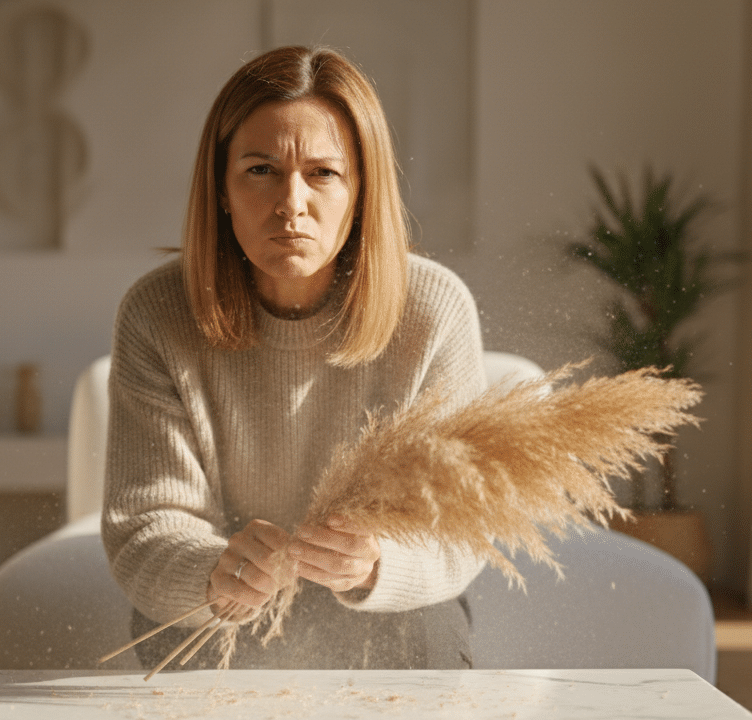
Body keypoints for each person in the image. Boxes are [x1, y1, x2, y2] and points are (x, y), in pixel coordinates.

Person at [102, 45, 487, 670]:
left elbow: (462, 532)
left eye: (324, 173)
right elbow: (145, 523)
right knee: (176, 645)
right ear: (221, 189)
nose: (291, 203)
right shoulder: (157, 312)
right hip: (220, 609)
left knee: (425, 633)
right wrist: (212, 572)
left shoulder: (432, 309)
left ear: (361, 191)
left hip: (388, 608)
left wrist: (376, 565)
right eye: (260, 170)